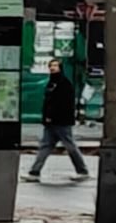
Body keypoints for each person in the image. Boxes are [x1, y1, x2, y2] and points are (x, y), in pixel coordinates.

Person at [27, 52, 86, 183]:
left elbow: (62, 104)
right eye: (51, 66)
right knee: (46, 146)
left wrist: (51, 117)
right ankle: (34, 171)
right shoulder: (51, 83)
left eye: (55, 66)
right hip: (51, 122)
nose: (53, 68)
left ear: (60, 68)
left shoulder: (64, 84)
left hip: (61, 122)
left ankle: (82, 170)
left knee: (69, 145)